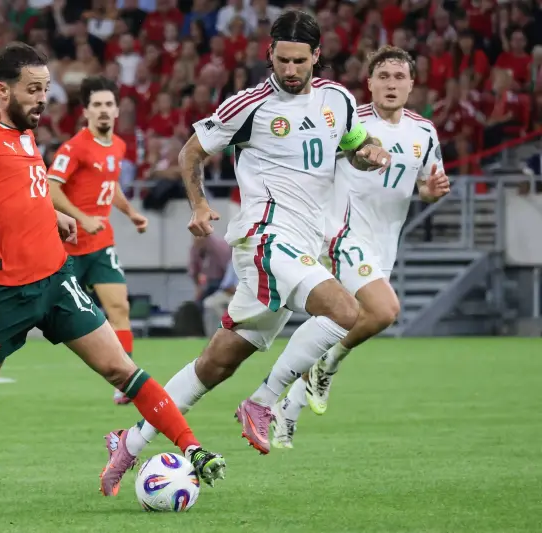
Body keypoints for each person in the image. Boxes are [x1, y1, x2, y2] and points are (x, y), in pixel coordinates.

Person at [0, 42, 225, 497]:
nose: (42, 98)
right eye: (33, 89)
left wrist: (56, 216)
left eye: (45, 89)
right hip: (3, 292)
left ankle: (194, 449)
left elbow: (23, 189)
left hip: (57, 281)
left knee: (121, 368)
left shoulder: (28, 137)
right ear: (2, 90)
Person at [99, 9, 392, 479]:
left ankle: (128, 443)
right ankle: (263, 402)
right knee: (344, 311)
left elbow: (355, 145)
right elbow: (191, 152)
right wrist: (199, 205)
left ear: (317, 56)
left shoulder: (337, 100)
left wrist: (369, 152)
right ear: (269, 54)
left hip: (301, 245)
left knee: (217, 362)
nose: (290, 70)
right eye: (282, 60)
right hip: (266, 237)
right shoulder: (249, 105)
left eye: (299, 61)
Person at [271, 46, 450, 448]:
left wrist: (432, 191)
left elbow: (424, 187)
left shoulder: (424, 132)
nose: (391, 84)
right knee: (385, 310)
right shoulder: (350, 123)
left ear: (412, 85)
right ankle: (323, 367)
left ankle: (288, 407)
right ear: (369, 83)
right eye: (383, 76)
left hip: (384, 245)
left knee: (349, 322)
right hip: (341, 235)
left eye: (399, 77)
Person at [47, 76, 149, 405]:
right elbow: (50, 187)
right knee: (45, 314)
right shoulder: (74, 147)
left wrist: (130, 212)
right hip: (68, 247)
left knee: (119, 307)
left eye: (108, 104)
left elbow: (110, 184)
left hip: (102, 244)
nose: (103, 110)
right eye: (97, 105)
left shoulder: (117, 145)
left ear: (117, 110)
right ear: (86, 111)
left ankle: (126, 381)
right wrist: (82, 218)